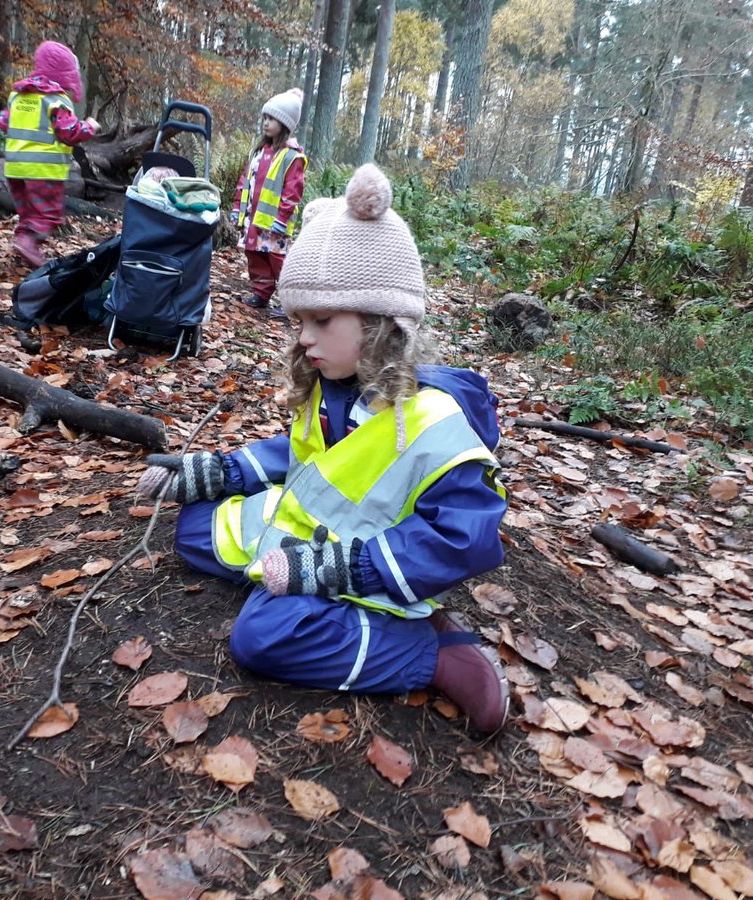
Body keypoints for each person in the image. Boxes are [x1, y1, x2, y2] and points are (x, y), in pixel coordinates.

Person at [140, 164, 511, 736]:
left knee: (261, 639)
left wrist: (344, 569)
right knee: (196, 530)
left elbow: (463, 538)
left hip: (373, 561)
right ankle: (295, 581)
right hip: (315, 537)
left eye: (321, 320)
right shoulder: (335, 385)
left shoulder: (432, 421)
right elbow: (301, 456)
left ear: (381, 320)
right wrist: (216, 471)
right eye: (298, 321)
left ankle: (436, 656)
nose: (303, 337)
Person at [0, 41, 99, 269]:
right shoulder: (56, 100)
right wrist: (89, 126)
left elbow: (3, 122)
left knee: (27, 212)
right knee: (48, 215)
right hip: (43, 170)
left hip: (14, 168)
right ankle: (29, 242)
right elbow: (69, 133)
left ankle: (24, 244)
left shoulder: (18, 95)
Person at [231, 88, 308, 319]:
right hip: (253, 220)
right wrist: (237, 209)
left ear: (284, 124)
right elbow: (245, 182)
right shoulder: (259, 152)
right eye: (265, 118)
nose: (266, 123)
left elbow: (292, 191)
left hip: (275, 224)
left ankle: (289, 303)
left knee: (278, 262)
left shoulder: (291, 156)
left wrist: (282, 219)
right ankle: (261, 293)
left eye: (272, 119)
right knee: (255, 256)